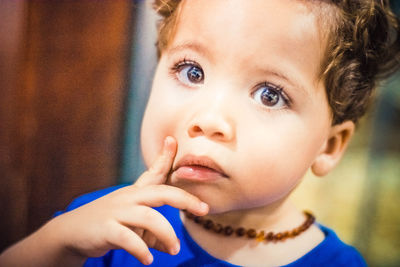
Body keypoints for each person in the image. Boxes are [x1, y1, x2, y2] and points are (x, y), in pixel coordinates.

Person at [1, 0, 399, 266]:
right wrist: (57, 243)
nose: (208, 119)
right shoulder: (108, 224)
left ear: (329, 146)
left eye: (270, 95)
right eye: (192, 71)